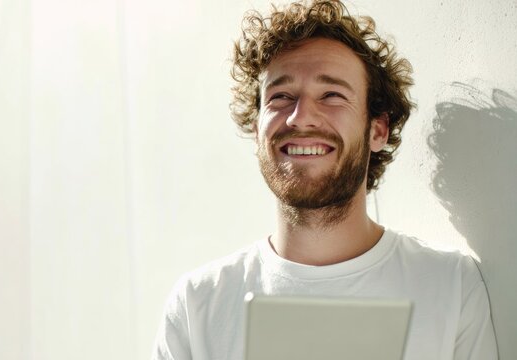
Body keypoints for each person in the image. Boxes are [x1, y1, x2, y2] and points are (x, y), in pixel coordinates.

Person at [151, 1, 497, 359]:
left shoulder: (450, 285)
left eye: (332, 95)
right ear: (256, 131)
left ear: (378, 130)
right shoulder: (197, 304)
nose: (300, 118)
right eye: (281, 96)